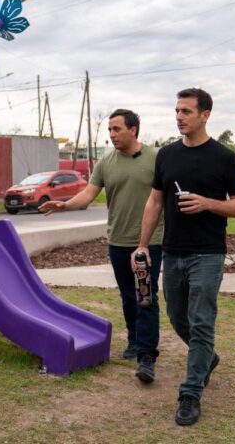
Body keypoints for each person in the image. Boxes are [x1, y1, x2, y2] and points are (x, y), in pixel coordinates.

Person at [133, 87, 235, 427]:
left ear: (204, 115)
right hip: (173, 252)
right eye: (177, 111)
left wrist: (207, 203)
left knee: (201, 322)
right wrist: (143, 246)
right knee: (176, 317)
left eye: (186, 111)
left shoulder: (224, 158)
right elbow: (155, 201)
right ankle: (207, 357)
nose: (179, 117)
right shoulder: (167, 155)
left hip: (208, 254)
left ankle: (190, 393)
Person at [39, 109, 163, 383]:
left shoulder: (155, 159)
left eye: (117, 129)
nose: (112, 134)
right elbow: (88, 194)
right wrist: (64, 205)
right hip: (117, 241)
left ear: (133, 129)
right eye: (109, 130)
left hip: (148, 243)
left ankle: (146, 356)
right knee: (128, 295)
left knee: (145, 297)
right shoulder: (106, 161)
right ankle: (134, 341)